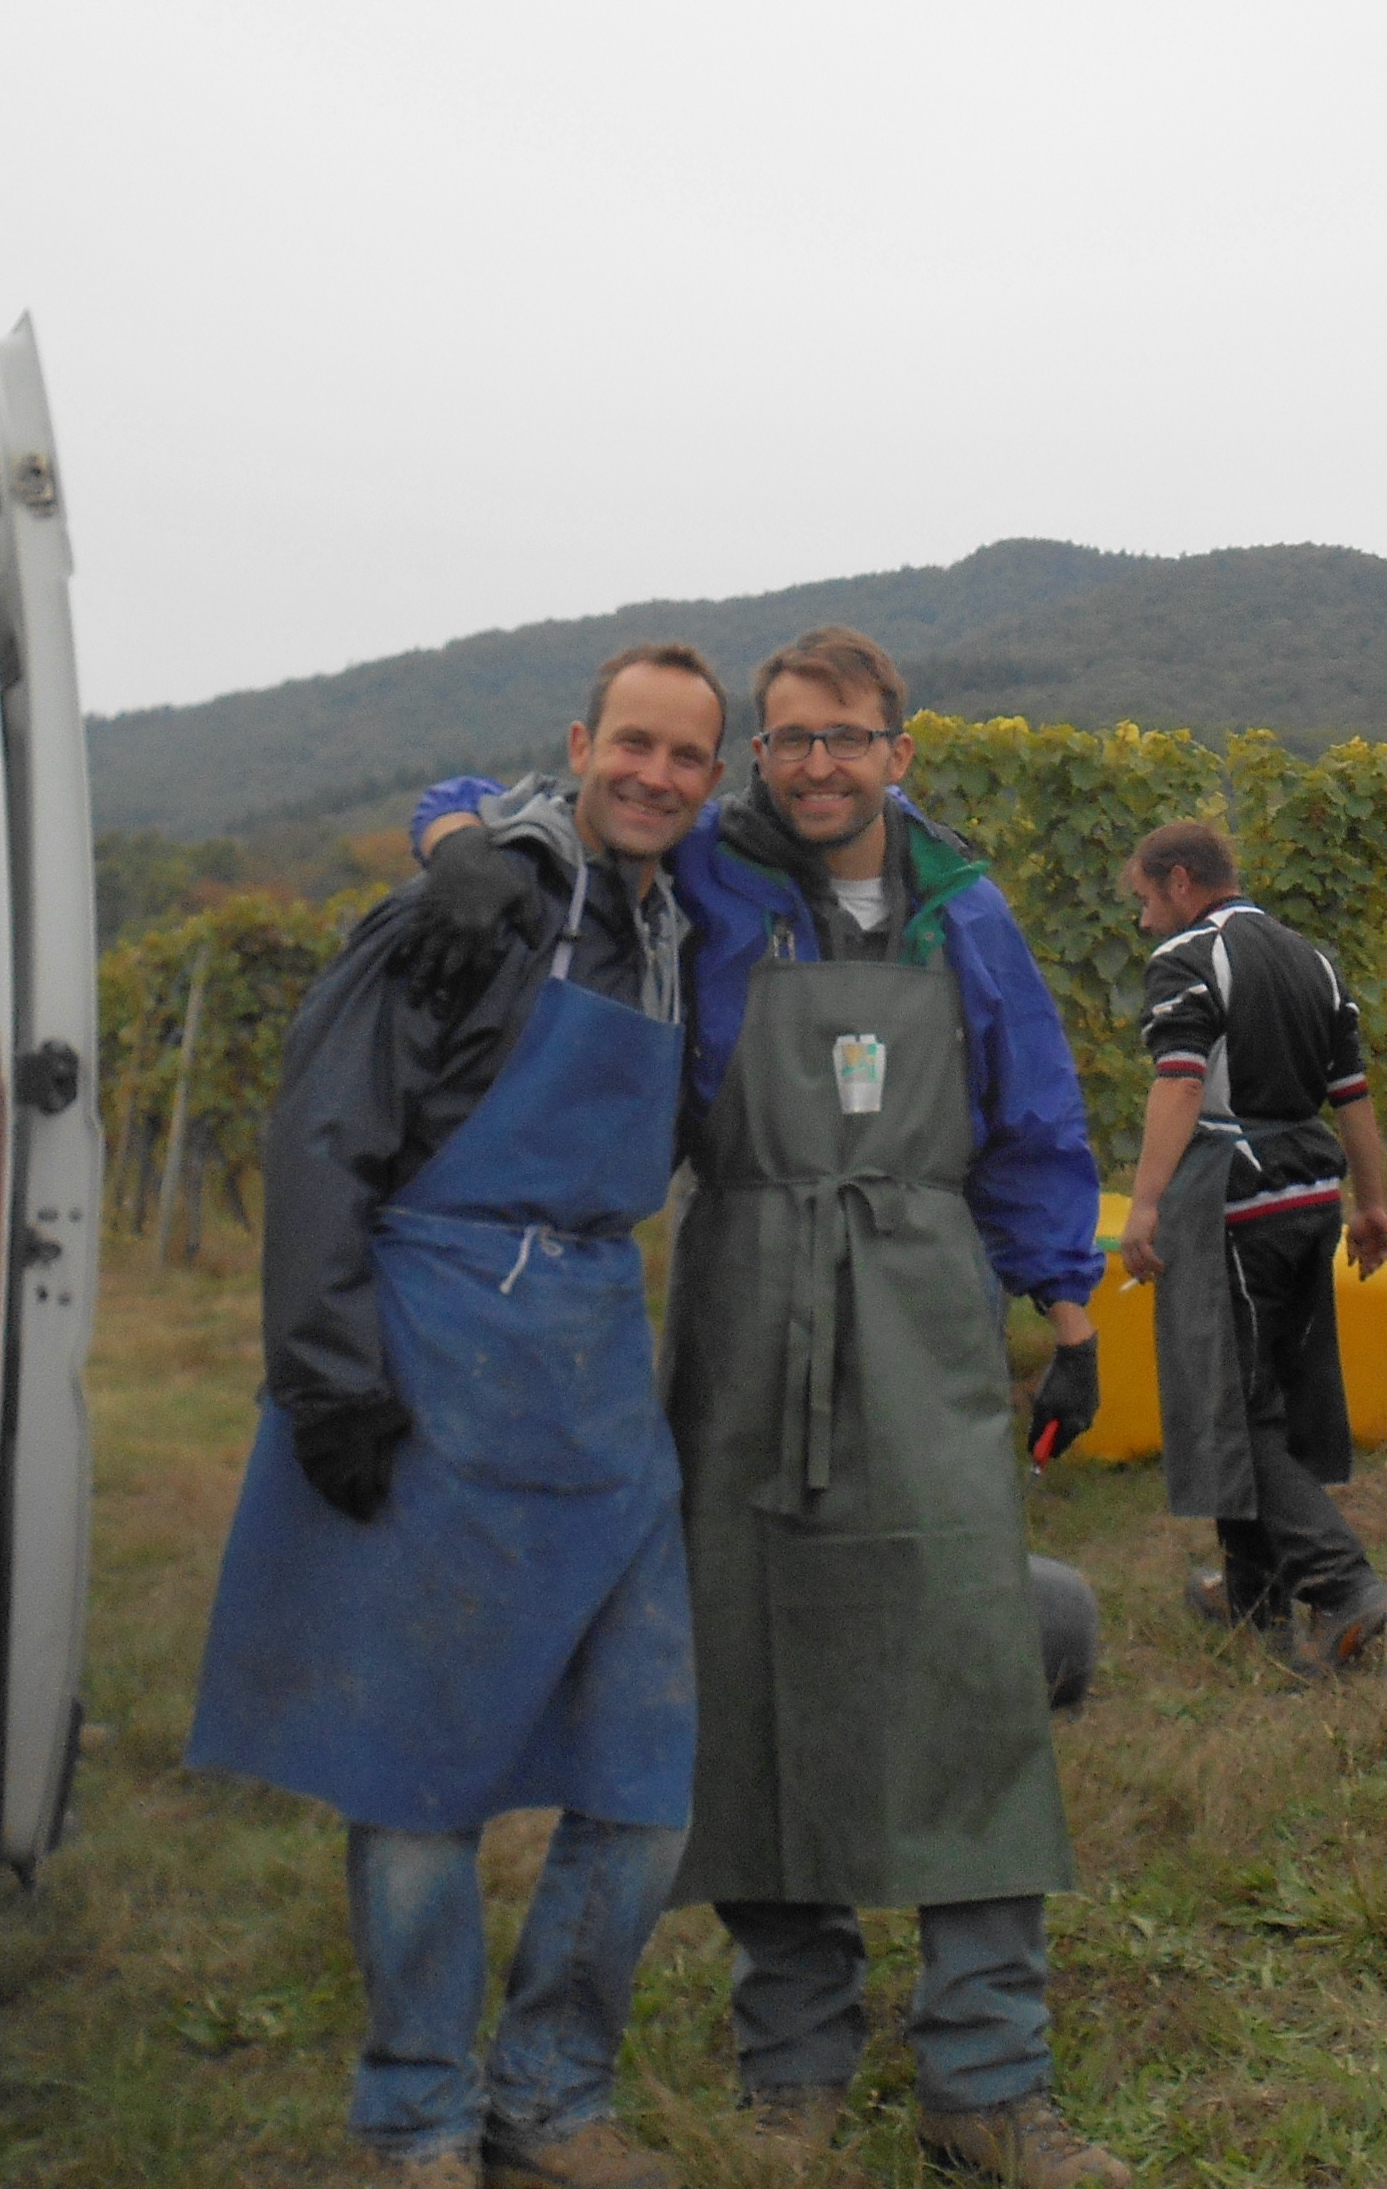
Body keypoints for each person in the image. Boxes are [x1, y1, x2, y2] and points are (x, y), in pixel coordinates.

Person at [409, 625, 1128, 2189]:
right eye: (790, 738)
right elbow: (519, 793)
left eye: (846, 737)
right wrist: (454, 834)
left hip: (927, 1310)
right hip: (741, 1303)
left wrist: (1068, 1309)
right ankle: (788, 2068)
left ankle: (987, 2079)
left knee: (969, 1671)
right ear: (759, 758)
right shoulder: (706, 878)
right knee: (752, 1677)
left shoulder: (967, 913)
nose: (816, 764)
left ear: (898, 752)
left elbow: (1034, 1114)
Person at [185, 645, 731, 2189]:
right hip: (435, 1347)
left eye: (690, 757)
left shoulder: (681, 922)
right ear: (580, 744)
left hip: (593, 1367)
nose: (657, 776)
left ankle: (553, 2095)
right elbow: (325, 1133)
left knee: (644, 1767)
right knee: (413, 1766)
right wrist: (329, 1375)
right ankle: (415, 2119)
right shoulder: (473, 911)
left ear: (713, 779)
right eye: (635, 743)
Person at [1112, 822, 1387, 1672]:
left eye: (1142, 901)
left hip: (1234, 1199)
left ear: (1177, 881)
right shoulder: (1313, 959)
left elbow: (1181, 1081)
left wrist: (1146, 1204)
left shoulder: (1188, 959)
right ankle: (1255, 1598)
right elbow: (1350, 1094)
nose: (1142, 923)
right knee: (1262, 1391)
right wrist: (1372, 1203)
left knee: (1233, 1410)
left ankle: (1344, 1585)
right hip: (1310, 1197)